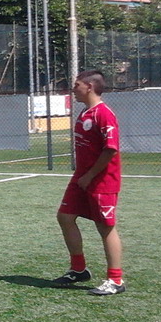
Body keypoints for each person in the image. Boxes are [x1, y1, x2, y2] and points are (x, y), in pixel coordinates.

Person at [53, 70, 125, 295]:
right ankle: (79, 269)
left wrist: (90, 175)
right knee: (65, 217)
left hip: (101, 180)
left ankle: (115, 280)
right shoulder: (85, 112)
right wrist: (83, 176)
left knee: (105, 227)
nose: (73, 89)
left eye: (77, 85)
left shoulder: (104, 114)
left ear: (90, 87)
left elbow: (111, 150)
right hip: (82, 178)